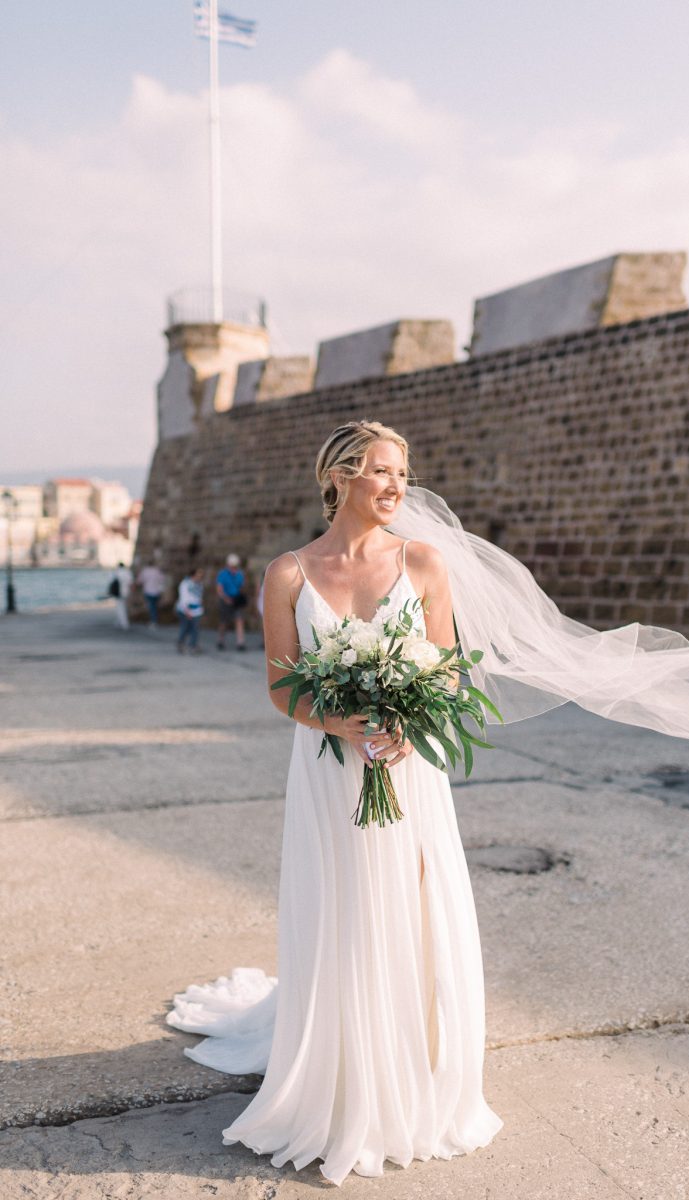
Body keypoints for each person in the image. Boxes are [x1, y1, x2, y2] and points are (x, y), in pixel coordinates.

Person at [168, 421, 503, 1184]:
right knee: (342, 905)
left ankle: (410, 1061)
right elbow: (282, 684)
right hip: (327, 767)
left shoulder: (423, 562)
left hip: (405, 767)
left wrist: (410, 728)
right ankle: (341, 1066)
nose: (397, 487)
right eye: (382, 472)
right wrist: (336, 719)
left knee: (407, 903)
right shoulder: (288, 573)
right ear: (341, 478)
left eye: (402, 474)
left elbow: (449, 672)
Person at [216, 553, 246, 651]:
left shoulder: (240, 574)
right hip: (225, 600)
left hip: (236, 600)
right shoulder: (223, 574)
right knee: (224, 622)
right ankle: (221, 640)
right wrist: (226, 599)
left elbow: (241, 587)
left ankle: (240, 642)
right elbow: (219, 589)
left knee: (239, 620)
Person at [175, 567, 205, 655]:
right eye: (198, 575)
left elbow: (199, 596)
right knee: (185, 628)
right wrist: (186, 610)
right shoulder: (185, 584)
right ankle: (181, 643)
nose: (199, 577)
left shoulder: (199, 584)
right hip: (185, 609)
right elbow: (184, 597)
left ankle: (193, 645)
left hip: (197, 610)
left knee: (195, 628)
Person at [136, 560, 166, 629]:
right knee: (154, 607)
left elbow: (140, 581)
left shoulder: (145, 571)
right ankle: (154, 620)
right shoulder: (157, 570)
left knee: (151, 607)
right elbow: (162, 579)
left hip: (148, 591)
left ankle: (153, 621)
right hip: (156, 592)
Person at [109, 562, 133, 630]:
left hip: (118, 593)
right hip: (126, 592)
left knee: (120, 608)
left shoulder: (116, 573)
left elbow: (112, 583)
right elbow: (130, 583)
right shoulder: (127, 572)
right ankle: (120, 622)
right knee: (123, 607)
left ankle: (124, 623)